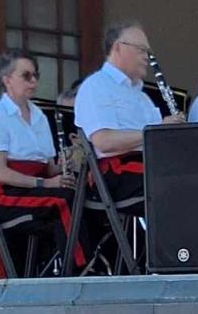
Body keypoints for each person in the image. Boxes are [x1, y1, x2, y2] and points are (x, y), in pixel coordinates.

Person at [0, 49, 81, 273]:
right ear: (7, 80)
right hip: (10, 194)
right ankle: (78, 265)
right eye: (26, 76)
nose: (33, 81)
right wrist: (45, 184)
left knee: (80, 191)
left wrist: (73, 157)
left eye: (35, 75)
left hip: (39, 189)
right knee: (63, 199)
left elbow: (49, 167)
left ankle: (71, 262)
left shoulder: (39, 116)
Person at [73, 20, 184, 204]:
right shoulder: (96, 86)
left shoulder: (142, 97)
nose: (147, 57)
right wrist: (155, 131)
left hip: (146, 165)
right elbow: (104, 141)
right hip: (116, 170)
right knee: (185, 181)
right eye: (141, 50)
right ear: (118, 47)